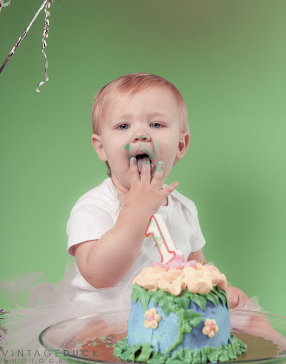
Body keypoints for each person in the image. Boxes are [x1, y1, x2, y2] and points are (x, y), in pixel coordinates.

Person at [66, 72, 249, 309]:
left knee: (248, 316)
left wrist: (218, 289)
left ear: (181, 145)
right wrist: (136, 210)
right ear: (101, 148)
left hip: (167, 319)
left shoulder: (184, 209)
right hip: (103, 319)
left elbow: (196, 270)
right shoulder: (95, 205)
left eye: (156, 124)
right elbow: (99, 276)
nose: (141, 134)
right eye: (123, 125)